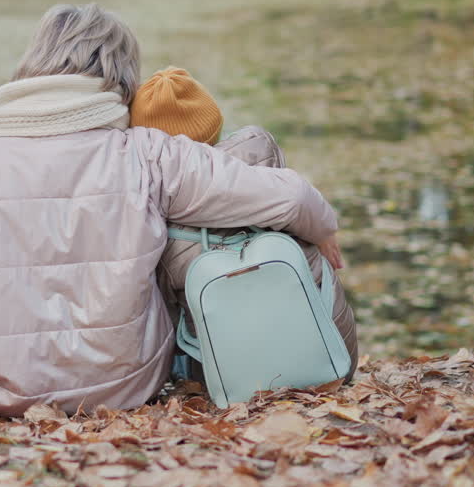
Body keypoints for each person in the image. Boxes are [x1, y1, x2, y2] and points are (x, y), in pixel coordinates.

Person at [0, 3, 341, 416]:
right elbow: (290, 196)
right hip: (124, 390)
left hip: (5, 395)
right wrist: (323, 230)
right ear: (124, 79)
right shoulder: (150, 153)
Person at [130, 67, 358, 382]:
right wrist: (324, 232)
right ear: (217, 125)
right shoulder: (261, 157)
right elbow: (298, 200)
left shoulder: (152, 201)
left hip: (232, 382)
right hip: (332, 357)